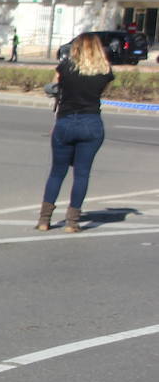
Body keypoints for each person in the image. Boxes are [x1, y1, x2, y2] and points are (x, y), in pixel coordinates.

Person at [37, 33, 112, 233]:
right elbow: (99, 92)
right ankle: (73, 221)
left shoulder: (65, 68)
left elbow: (52, 88)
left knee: (57, 172)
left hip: (66, 121)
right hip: (91, 122)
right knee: (82, 173)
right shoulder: (105, 72)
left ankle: (45, 219)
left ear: (75, 48)